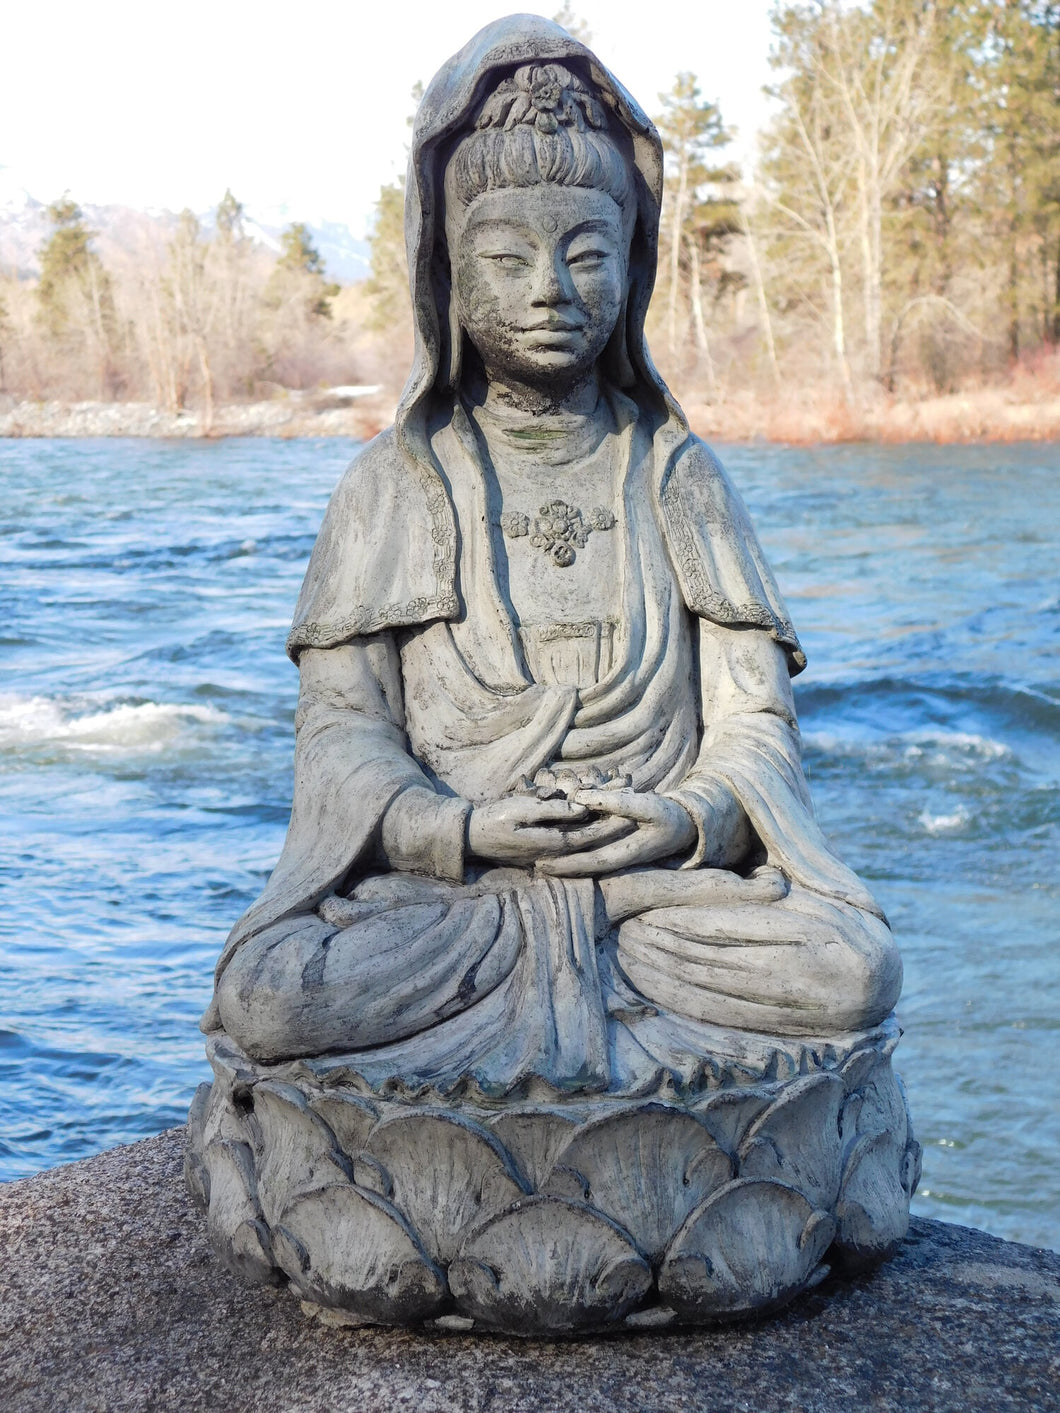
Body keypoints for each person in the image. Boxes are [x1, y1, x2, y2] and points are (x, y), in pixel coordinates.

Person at [202, 17, 901, 1093]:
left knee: (850, 970)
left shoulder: (677, 475)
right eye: (506, 258)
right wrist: (459, 826)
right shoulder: (396, 481)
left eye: (586, 254)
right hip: (457, 901)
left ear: (631, 267)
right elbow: (342, 738)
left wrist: (687, 814)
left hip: (657, 898)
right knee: (276, 993)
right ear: (445, 273)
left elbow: (754, 725)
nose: (549, 290)